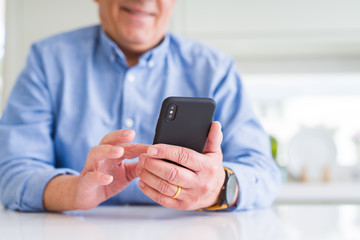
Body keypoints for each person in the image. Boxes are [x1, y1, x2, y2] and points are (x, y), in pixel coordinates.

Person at [0, 0, 280, 212]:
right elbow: (12, 173)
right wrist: (72, 191)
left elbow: (263, 173)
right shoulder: (47, 61)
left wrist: (218, 187)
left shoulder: (216, 70)